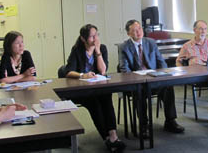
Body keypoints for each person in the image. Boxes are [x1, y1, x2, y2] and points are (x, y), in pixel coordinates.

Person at [64, 24, 125, 153]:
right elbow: (68, 71)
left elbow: (103, 71)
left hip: (98, 87)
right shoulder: (77, 50)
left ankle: (113, 136)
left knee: (107, 99)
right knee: (95, 104)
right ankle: (107, 138)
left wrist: (97, 52)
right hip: (82, 90)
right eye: (92, 36)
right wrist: (82, 75)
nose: (95, 38)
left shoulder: (102, 48)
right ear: (83, 38)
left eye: (96, 35)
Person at [119, 19, 184, 137]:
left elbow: (161, 62)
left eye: (139, 29)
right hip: (137, 82)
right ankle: (144, 125)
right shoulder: (124, 47)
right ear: (128, 34)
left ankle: (170, 121)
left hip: (154, 80)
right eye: (134, 30)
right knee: (139, 92)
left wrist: (164, 75)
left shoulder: (151, 42)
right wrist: (136, 78)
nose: (138, 32)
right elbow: (124, 70)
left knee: (168, 86)